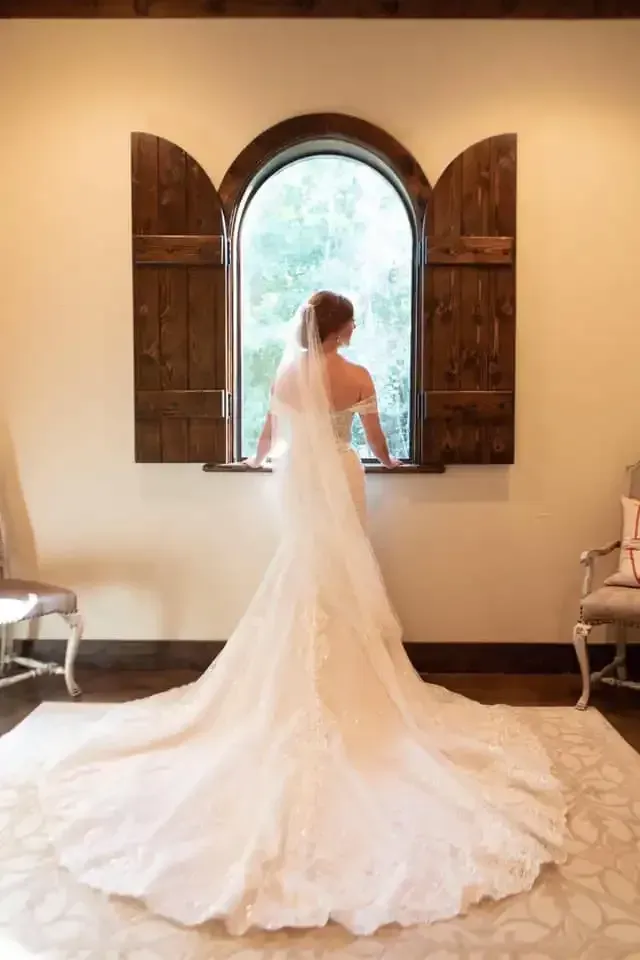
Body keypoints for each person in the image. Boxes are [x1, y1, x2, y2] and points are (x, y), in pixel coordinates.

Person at [4, 292, 566, 940]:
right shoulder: (355, 376)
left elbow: (268, 437)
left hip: (299, 479)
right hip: (343, 476)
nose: (357, 328)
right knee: (344, 572)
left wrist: (253, 456)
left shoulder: (285, 372)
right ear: (339, 327)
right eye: (352, 320)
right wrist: (387, 462)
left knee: (303, 568)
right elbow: (377, 442)